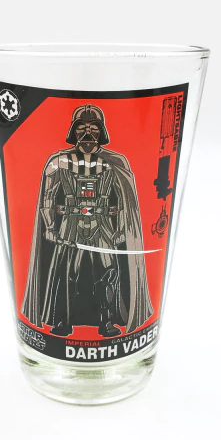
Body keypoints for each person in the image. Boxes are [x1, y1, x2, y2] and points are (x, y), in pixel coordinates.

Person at [21, 104, 153, 337]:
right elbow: (48, 197)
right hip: (69, 225)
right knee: (66, 274)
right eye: (82, 128)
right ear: (73, 130)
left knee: (108, 273)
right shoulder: (58, 162)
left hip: (103, 226)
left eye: (94, 127)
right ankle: (62, 321)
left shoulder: (115, 162)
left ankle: (107, 321)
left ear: (102, 131)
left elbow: (125, 201)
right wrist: (50, 226)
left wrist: (122, 229)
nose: (88, 133)